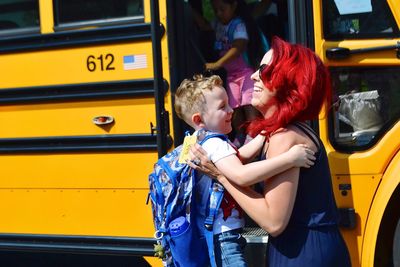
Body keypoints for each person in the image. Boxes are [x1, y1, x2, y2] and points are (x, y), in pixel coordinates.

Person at [188, 37, 352, 266]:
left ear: (287, 80)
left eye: (264, 70)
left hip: (303, 253)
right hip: (307, 249)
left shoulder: (285, 137)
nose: (254, 76)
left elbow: (273, 222)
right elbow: (240, 159)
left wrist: (221, 176)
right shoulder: (281, 132)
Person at [174, 74, 316, 266]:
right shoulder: (216, 144)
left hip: (222, 233)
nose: (232, 110)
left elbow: (238, 157)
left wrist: (266, 132)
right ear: (199, 119)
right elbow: (241, 176)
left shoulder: (203, 140)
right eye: (222, 107)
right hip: (224, 237)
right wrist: (290, 159)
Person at [192, 0, 266, 147]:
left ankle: (253, 136)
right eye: (215, 10)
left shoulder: (238, 25)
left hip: (246, 74)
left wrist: (218, 64)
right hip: (232, 76)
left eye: (222, 9)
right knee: (234, 110)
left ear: (234, 6)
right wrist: (187, 8)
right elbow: (204, 26)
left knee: (249, 108)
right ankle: (240, 135)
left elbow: (238, 47)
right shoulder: (218, 25)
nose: (218, 13)